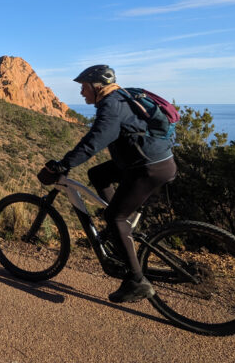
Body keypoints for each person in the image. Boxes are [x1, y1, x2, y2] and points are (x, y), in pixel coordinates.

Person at [42, 64, 177, 303]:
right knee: (98, 174)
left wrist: (64, 164)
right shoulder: (122, 96)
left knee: (114, 217)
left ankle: (136, 281)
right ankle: (120, 230)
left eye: (84, 87)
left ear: (97, 87)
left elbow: (94, 141)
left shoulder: (111, 105)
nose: (82, 93)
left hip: (147, 167)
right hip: (150, 160)